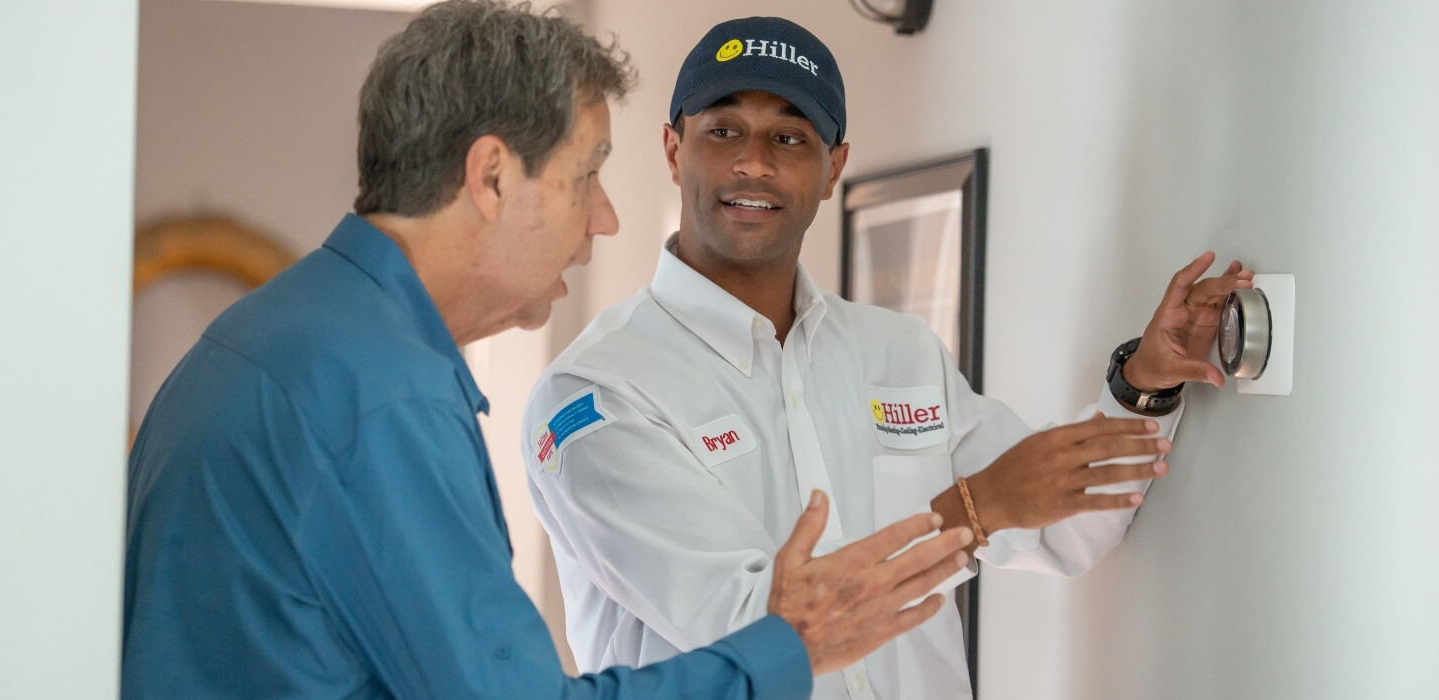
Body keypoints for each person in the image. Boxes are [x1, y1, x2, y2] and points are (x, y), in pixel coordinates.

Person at [120, 3, 977, 698]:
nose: (603, 219)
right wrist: (790, 646)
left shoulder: (293, 336)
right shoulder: (378, 396)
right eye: (587, 175)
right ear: (491, 177)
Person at [519, 15, 1254, 700]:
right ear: (675, 149)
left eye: (790, 138)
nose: (753, 162)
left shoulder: (897, 353)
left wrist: (1146, 382)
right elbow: (753, 628)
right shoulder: (600, 392)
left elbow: (1059, 528)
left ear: (834, 166)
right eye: (723, 130)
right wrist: (977, 508)